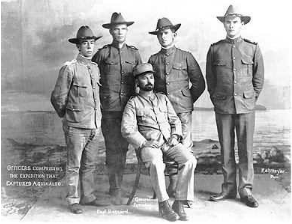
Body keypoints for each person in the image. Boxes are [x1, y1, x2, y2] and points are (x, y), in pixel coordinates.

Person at [121, 63, 197, 221]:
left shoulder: (163, 98)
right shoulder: (133, 103)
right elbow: (127, 129)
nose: (149, 80)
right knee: (156, 162)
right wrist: (144, 142)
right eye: (144, 77)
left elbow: (175, 120)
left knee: (190, 159)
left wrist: (175, 136)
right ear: (137, 82)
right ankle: (164, 204)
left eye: (151, 77)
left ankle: (179, 202)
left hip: (169, 143)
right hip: (150, 146)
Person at [206, 5, 264, 208]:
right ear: (224, 24)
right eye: (228, 22)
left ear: (242, 24)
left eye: (235, 22)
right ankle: (228, 187)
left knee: (246, 149)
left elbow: (258, 79)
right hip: (223, 106)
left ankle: (245, 189)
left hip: (246, 106)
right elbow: (210, 79)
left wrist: (250, 99)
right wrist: (216, 98)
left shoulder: (252, 48)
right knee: (226, 149)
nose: (231, 25)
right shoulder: (215, 49)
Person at [148, 17, 205, 197]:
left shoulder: (186, 56)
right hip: (162, 113)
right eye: (160, 34)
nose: (163, 37)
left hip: (183, 111)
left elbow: (199, 84)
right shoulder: (153, 59)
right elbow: (150, 87)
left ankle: (185, 191)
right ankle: (172, 185)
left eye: (166, 33)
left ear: (174, 34)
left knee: (186, 149)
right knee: (167, 148)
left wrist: (186, 101)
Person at [51, 26, 104, 214]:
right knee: (74, 165)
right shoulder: (69, 69)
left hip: (94, 126)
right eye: (85, 43)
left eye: (92, 43)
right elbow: (58, 97)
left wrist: (96, 122)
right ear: (78, 47)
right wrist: (68, 118)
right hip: (76, 127)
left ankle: (88, 196)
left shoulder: (95, 68)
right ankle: (73, 199)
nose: (89, 47)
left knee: (89, 164)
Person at [92, 12, 142, 205]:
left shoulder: (134, 53)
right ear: (111, 31)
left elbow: (142, 79)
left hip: (129, 110)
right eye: (116, 29)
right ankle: (115, 189)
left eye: (123, 29)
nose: (120, 32)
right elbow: (92, 79)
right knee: (113, 149)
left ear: (127, 31)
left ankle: (120, 186)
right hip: (109, 110)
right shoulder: (103, 53)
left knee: (125, 147)